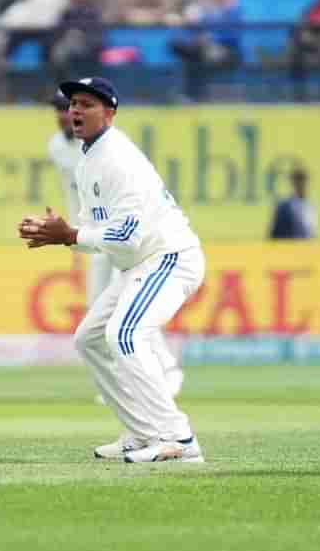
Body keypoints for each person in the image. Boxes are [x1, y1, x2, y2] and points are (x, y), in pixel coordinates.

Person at [19, 77, 202, 463]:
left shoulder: (119, 159)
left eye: (86, 104)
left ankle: (179, 439)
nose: (75, 111)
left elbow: (128, 235)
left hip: (169, 257)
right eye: (73, 104)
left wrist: (69, 234)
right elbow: (98, 233)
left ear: (110, 113)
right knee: (90, 338)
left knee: (126, 333)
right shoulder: (87, 159)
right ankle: (141, 432)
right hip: (139, 263)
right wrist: (64, 236)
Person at [44, 89, 184, 397]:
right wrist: (74, 232)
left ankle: (167, 369)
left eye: (70, 108)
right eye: (62, 108)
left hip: (121, 233)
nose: (64, 114)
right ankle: (120, 381)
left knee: (130, 305)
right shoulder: (56, 147)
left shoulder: (108, 147)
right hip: (91, 234)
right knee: (98, 308)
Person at [269, 167, 316, 240]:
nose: (301, 185)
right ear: (293, 183)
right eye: (298, 181)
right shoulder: (284, 207)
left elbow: (311, 233)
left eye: (303, 181)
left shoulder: (310, 207)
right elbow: (275, 235)